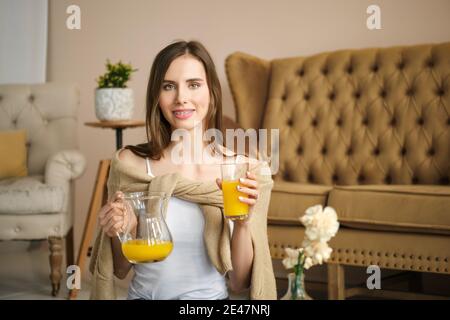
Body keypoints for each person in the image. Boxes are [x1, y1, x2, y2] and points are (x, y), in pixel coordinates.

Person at [92, 40, 275, 300]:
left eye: (194, 85)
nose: (181, 98)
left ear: (211, 92)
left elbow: (240, 283)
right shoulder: (129, 164)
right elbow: (121, 269)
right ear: (157, 95)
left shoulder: (244, 171)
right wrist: (123, 229)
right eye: (169, 86)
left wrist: (243, 226)